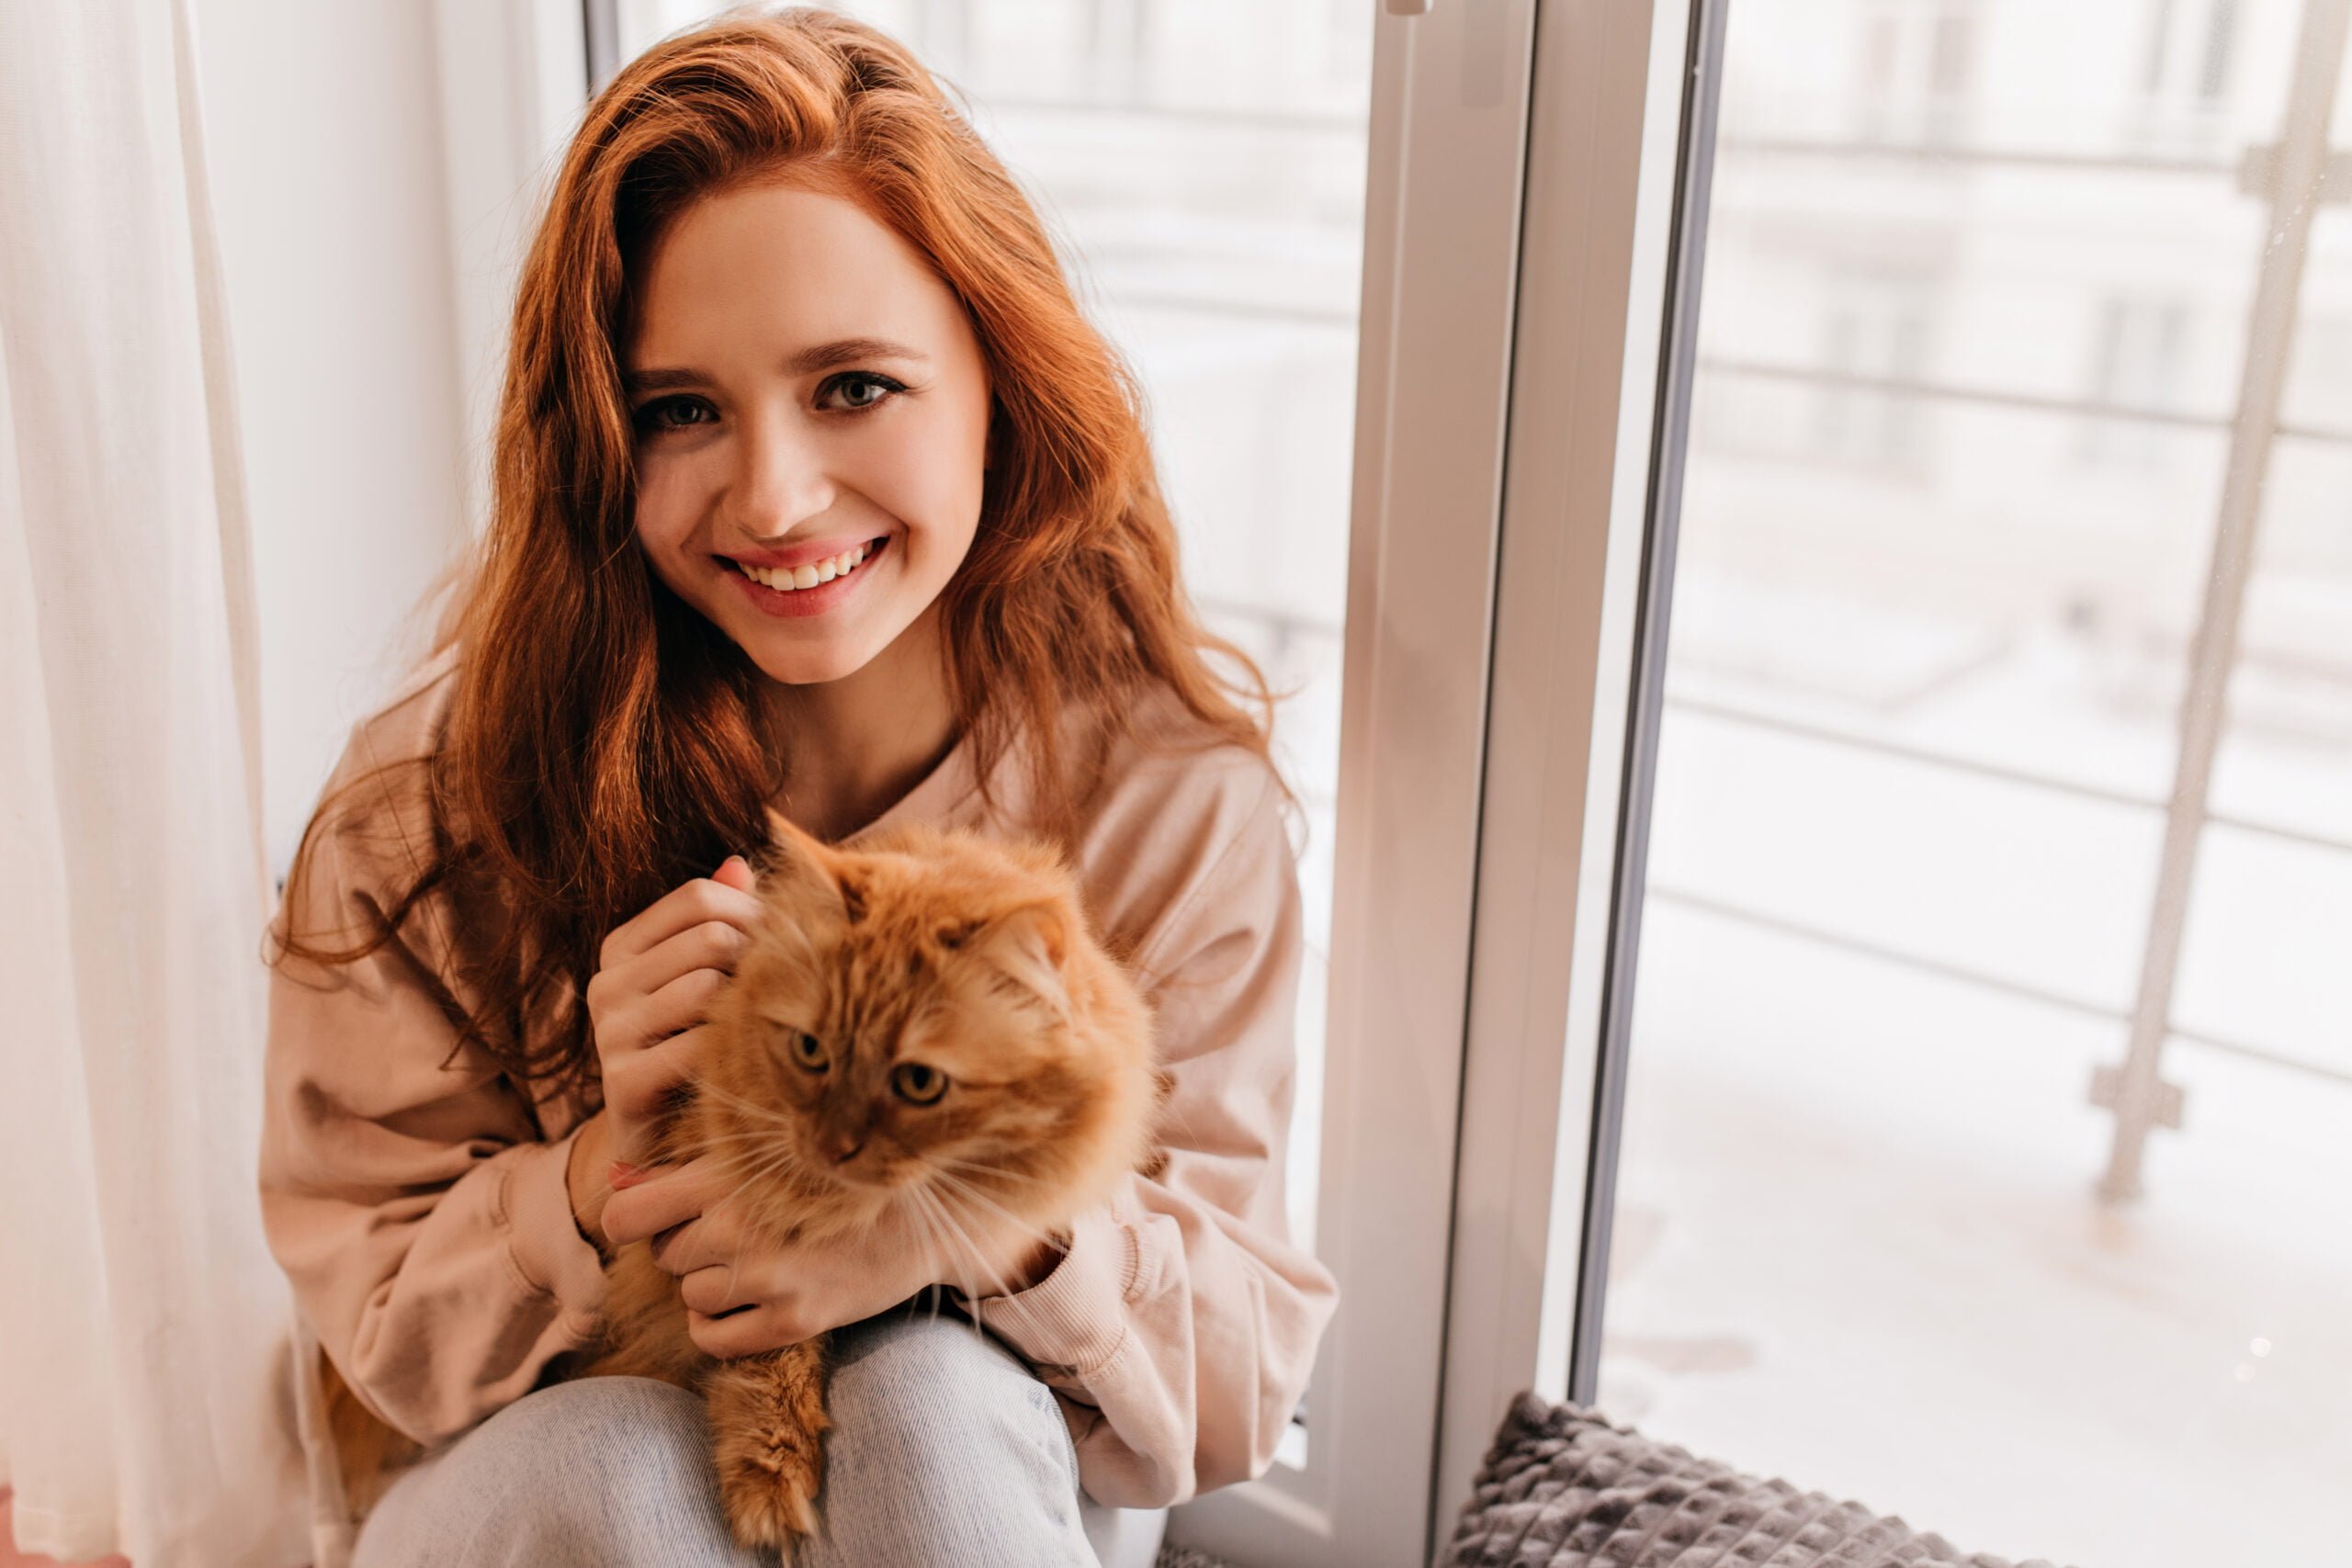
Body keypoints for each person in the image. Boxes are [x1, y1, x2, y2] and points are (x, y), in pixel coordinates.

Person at [255, 7, 1337, 1567]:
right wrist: (591, 1180)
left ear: (1002, 376)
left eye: (852, 387)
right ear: (597, 446)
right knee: (622, 1464)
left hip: (964, 1486)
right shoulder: (437, 803)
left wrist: (976, 1237)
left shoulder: (1164, 800)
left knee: (931, 1404)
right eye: (679, 410)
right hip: (550, 1499)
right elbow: (374, 1358)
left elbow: (1227, 1402)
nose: (773, 494)